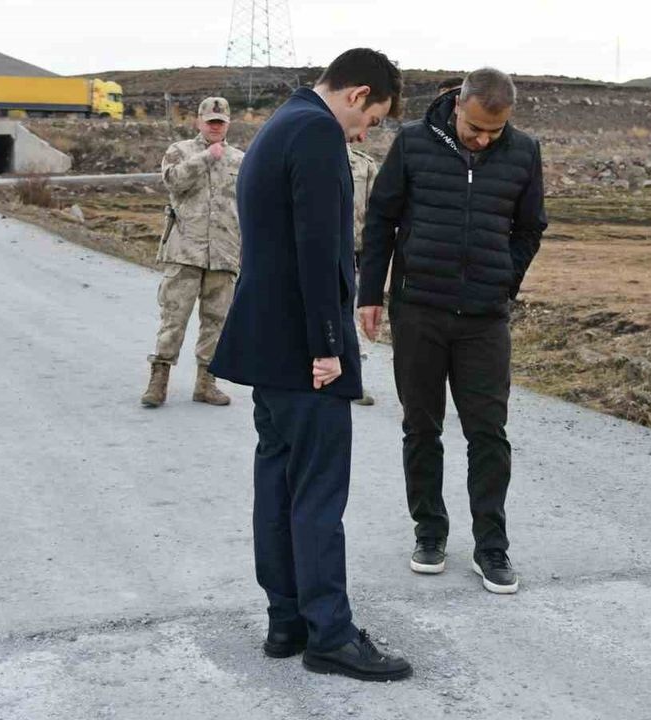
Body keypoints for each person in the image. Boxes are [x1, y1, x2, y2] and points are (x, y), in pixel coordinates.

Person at [208, 48, 412, 682]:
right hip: (304, 348)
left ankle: (286, 620)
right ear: (357, 94)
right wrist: (328, 344)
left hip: (268, 343)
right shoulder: (319, 133)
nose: (366, 132)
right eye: (373, 118)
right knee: (318, 491)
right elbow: (319, 247)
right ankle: (330, 633)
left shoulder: (279, 123)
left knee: (277, 483)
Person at [359, 67, 547, 595]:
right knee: (422, 428)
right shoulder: (414, 142)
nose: (485, 140)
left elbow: (531, 226)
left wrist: (503, 281)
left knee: (488, 433)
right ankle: (430, 531)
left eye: (495, 132)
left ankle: (492, 546)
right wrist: (370, 294)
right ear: (458, 105)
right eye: (476, 130)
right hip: (419, 309)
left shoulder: (524, 151)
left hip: (484, 319)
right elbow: (381, 219)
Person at [140, 97, 243, 408]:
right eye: (209, 121)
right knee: (174, 318)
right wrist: (205, 158)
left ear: (227, 124)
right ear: (199, 121)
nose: (214, 126)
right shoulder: (180, 151)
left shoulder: (241, 159)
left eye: (220, 122)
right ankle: (159, 381)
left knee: (216, 321)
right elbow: (172, 182)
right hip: (185, 250)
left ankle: (205, 382)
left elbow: (250, 204)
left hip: (224, 253)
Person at [348, 145, 379, 406]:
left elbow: (377, 214)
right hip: (311, 252)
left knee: (348, 319)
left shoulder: (364, 165)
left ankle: (352, 380)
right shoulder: (309, 152)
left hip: (350, 254)